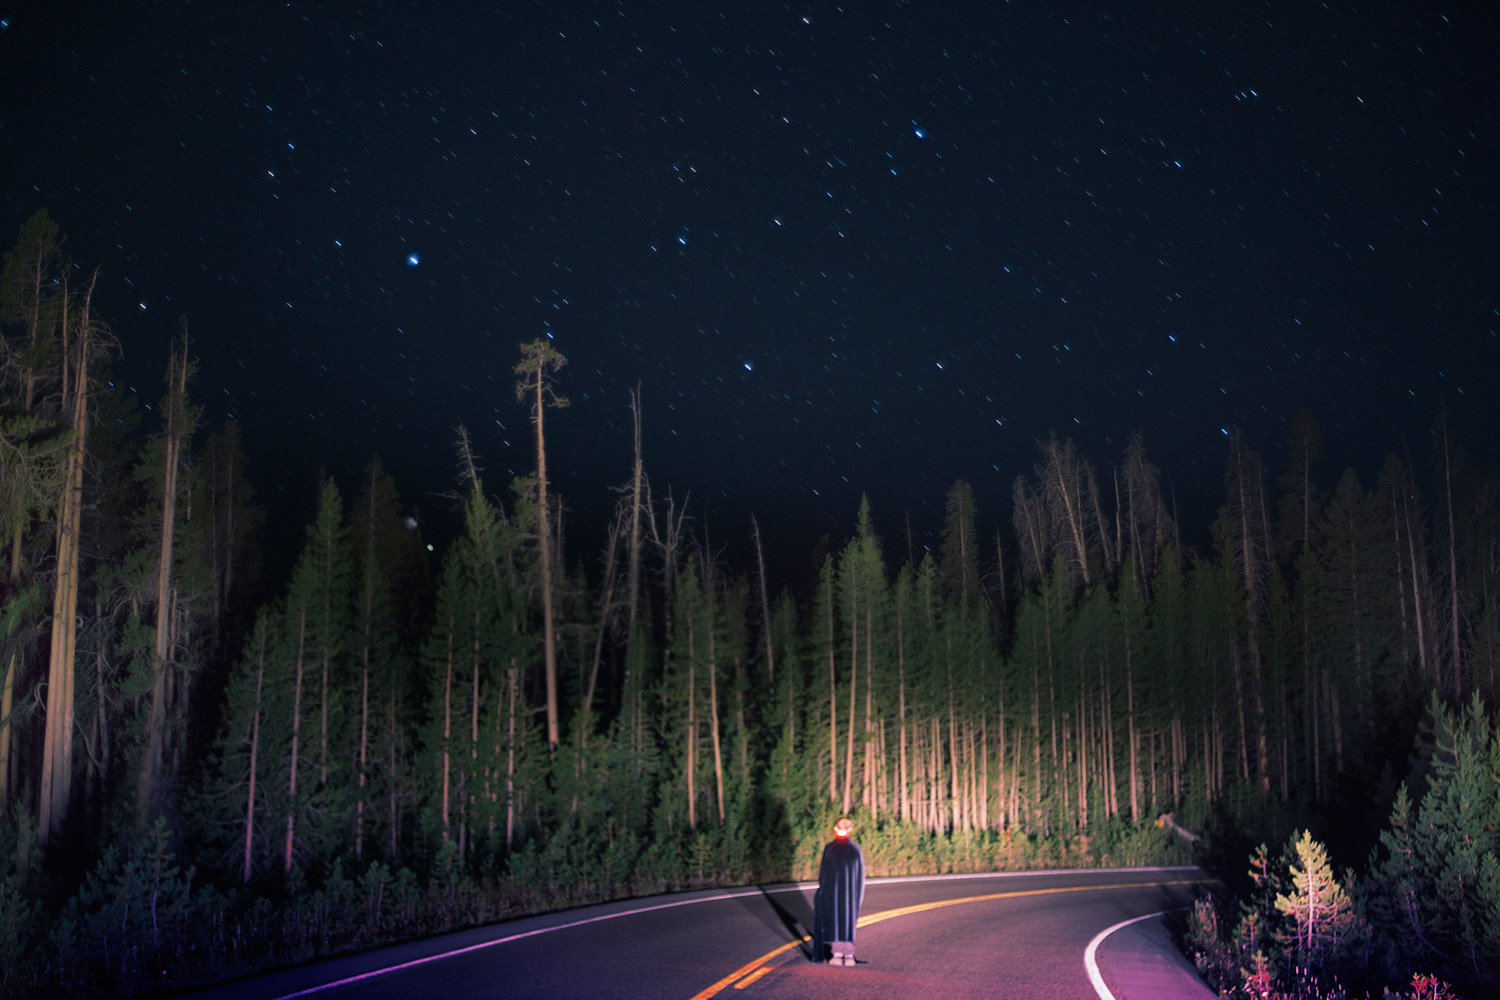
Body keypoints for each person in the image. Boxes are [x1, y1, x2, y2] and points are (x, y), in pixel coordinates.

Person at [811, 817, 865, 966]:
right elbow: (824, 874)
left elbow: (859, 875)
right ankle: (842, 954)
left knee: (841, 921)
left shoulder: (846, 850)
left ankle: (843, 954)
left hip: (841, 894)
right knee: (840, 920)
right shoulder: (843, 849)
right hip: (841, 895)